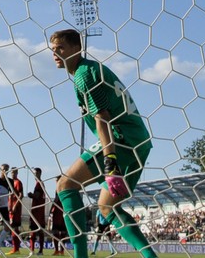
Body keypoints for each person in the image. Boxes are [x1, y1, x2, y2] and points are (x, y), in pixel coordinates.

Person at [50, 28, 157, 258]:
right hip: (139, 142)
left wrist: (110, 162)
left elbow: (103, 118)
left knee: (65, 186)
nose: (55, 53)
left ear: (77, 48)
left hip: (121, 138)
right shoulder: (89, 70)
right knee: (107, 207)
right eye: (53, 50)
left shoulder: (83, 74)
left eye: (61, 48)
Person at [28, 168, 49, 255]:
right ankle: (39, 251)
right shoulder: (39, 183)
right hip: (39, 210)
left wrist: (31, 195)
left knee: (34, 231)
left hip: (37, 211)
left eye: (36, 173)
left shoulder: (39, 184)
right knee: (39, 231)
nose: (34, 174)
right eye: (34, 173)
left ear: (40, 173)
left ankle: (33, 250)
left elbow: (37, 195)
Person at [8, 167, 25, 254]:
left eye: (14, 172)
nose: (12, 174)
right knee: (13, 228)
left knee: (15, 228)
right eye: (11, 173)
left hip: (16, 209)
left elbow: (21, 195)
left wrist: (15, 206)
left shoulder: (18, 182)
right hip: (10, 209)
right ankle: (15, 248)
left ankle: (16, 249)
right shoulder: (11, 182)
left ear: (17, 173)